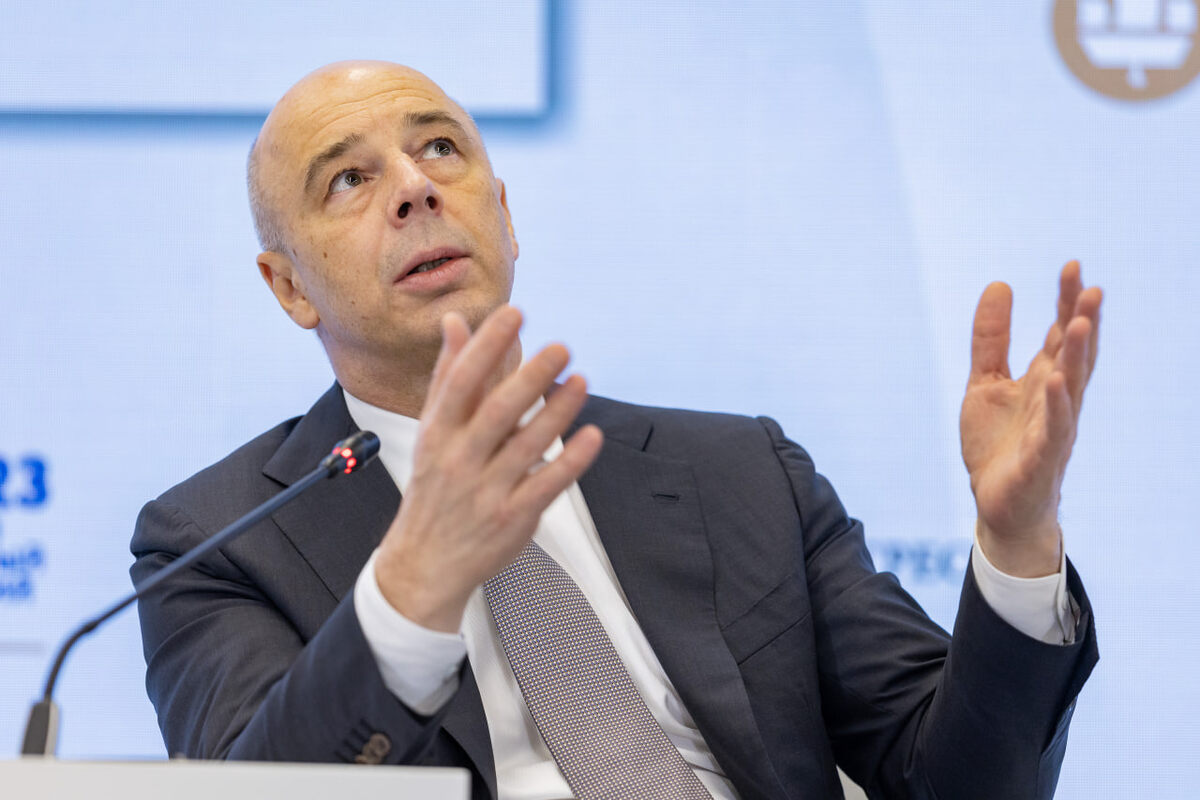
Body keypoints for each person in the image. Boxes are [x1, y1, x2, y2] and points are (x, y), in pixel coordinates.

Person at [131, 61, 1100, 799]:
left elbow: (960, 781)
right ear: (289, 286)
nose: (415, 189)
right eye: (348, 178)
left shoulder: (740, 474)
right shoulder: (213, 542)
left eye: (441, 150)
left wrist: (1017, 545)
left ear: (504, 217)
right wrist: (412, 585)